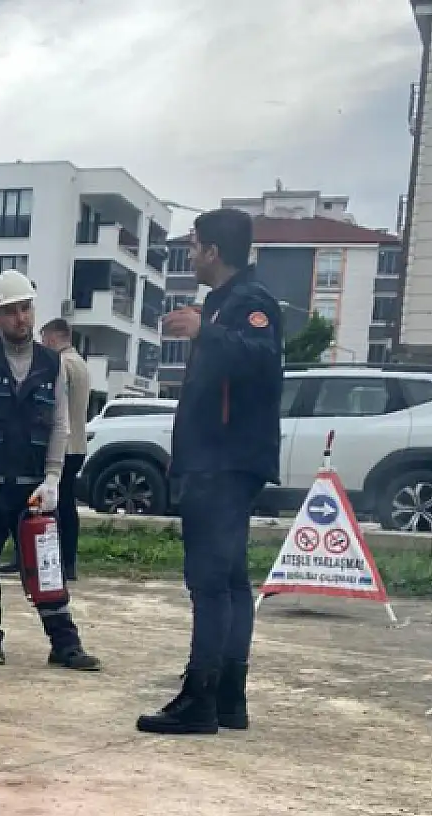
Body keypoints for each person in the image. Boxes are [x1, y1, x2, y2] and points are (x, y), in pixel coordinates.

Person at [138, 208, 282, 735]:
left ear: (214, 251)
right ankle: (227, 697)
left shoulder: (250, 302)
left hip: (226, 462)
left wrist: (205, 331)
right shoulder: (223, 303)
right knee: (229, 580)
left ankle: (201, 697)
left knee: (209, 581)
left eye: (195, 245)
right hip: (213, 458)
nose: (191, 254)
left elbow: (261, 361)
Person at [0, 270, 101, 671]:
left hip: (34, 488)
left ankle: (64, 643)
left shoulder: (52, 366)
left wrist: (53, 476)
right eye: (11, 311)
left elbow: (60, 425)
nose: (21, 318)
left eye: (26, 309)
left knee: (46, 567)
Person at [38, 318, 92, 581]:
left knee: (50, 504)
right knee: (67, 504)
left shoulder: (61, 364)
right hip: (78, 444)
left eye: (43, 338)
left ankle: (49, 559)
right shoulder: (80, 363)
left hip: (62, 445)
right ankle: (68, 562)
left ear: (52, 337)